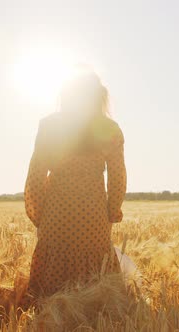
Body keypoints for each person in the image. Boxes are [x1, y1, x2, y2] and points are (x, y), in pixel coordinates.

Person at [24, 66, 127, 297]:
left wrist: (38, 214)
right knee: (96, 278)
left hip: (56, 214)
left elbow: (36, 174)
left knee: (50, 287)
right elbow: (117, 177)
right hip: (94, 215)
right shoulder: (109, 128)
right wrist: (112, 212)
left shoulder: (50, 125)